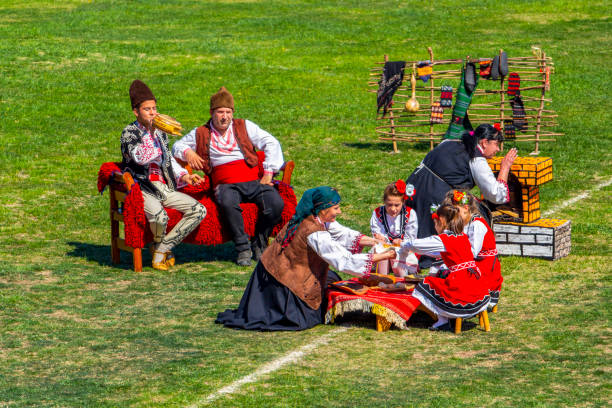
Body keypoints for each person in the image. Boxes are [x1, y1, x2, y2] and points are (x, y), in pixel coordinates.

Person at [215, 186, 396, 331]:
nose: (339, 212)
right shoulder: (314, 232)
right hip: (283, 282)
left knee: (332, 280)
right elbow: (343, 261)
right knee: (314, 310)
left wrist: (372, 240)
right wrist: (382, 256)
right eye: (336, 208)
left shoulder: (311, 218)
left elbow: (342, 233)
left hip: (269, 271)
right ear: (323, 209)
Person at [172, 87, 285, 266]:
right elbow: (177, 146)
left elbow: (270, 142)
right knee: (227, 202)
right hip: (225, 185)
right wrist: (188, 152)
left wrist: (269, 172)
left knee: (275, 204)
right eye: (220, 112)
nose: (224, 116)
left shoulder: (244, 126)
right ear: (212, 113)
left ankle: (259, 242)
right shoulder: (201, 132)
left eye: (228, 112)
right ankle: (242, 248)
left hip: (253, 181)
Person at [120, 80, 206, 270]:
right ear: (136, 111)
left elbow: (167, 160)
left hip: (163, 186)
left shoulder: (160, 133)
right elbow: (140, 158)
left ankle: (162, 247)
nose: (153, 113)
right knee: (160, 217)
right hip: (141, 187)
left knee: (199, 210)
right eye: (147, 109)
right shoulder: (129, 133)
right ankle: (159, 249)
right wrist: (150, 133)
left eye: (154, 108)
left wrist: (184, 176)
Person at [405, 123, 517, 268]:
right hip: (434, 194)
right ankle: (444, 253)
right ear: (484, 142)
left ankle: (406, 250)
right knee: (474, 211)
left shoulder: (450, 142)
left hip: (413, 186)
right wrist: (505, 167)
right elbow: (496, 194)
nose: (498, 149)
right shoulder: (476, 160)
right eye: (496, 144)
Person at [400, 204, 491, 331]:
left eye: (435, 223)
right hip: (476, 282)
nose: (434, 227)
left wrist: (403, 244)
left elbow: (418, 245)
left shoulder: (444, 239)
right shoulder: (461, 236)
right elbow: (438, 252)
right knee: (440, 274)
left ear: (441, 222)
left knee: (426, 282)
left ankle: (443, 320)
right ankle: (445, 319)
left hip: (462, 286)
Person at [445, 190, 502, 311]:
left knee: (454, 273)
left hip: (485, 267)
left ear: (465, 208)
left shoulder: (477, 225)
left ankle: (460, 301)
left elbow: (472, 253)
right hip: (475, 263)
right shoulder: (465, 223)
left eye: (455, 212)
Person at [370, 180, 418, 275]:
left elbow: (411, 238)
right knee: (380, 249)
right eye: (389, 205)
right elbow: (378, 234)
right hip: (385, 248)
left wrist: (401, 242)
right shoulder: (377, 213)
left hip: (404, 249)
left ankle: (402, 281)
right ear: (384, 201)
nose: (393, 209)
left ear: (403, 202)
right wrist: (380, 237)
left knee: (399, 254)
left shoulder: (410, 214)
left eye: (397, 205)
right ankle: (382, 279)